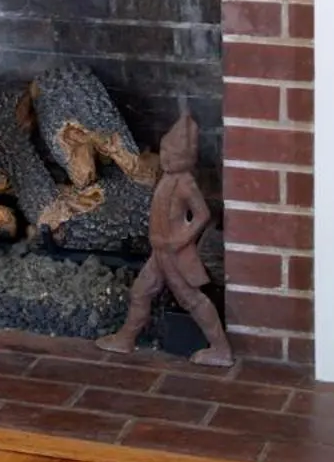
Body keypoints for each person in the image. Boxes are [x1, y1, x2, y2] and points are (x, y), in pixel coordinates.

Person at [96, 109, 234, 367]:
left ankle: (220, 349)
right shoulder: (167, 178)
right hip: (159, 252)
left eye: (173, 155)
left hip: (173, 254)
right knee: (141, 291)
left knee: (191, 298)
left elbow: (201, 215)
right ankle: (126, 338)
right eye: (165, 153)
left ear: (187, 158)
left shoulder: (186, 184)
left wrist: (180, 240)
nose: (167, 158)